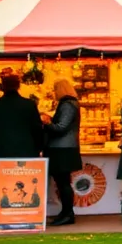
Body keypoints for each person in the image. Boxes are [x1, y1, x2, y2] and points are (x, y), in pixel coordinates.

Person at [42, 79, 82, 226]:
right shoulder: (71, 104)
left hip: (62, 149)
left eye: (55, 89)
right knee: (62, 182)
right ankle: (65, 212)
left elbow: (61, 127)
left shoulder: (67, 104)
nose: (54, 92)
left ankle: (68, 213)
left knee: (63, 182)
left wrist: (47, 123)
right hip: (66, 147)